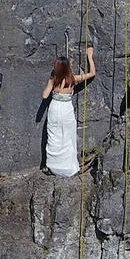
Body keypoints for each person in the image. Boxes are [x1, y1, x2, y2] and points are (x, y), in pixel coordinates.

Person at [41, 47, 95, 177]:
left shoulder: (53, 80)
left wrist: (51, 82)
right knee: (68, 137)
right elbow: (92, 73)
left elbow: (44, 95)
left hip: (55, 108)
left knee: (54, 137)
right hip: (66, 109)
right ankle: (68, 167)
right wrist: (89, 56)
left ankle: (53, 166)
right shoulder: (73, 79)